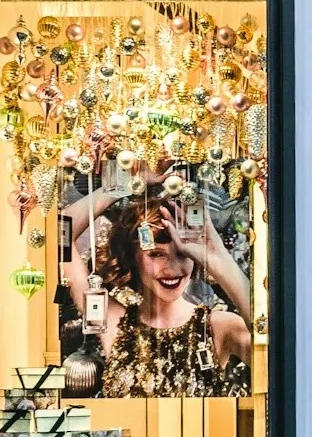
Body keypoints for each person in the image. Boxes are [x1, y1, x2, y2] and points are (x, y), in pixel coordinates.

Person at [62, 164, 252, 399]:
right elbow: (61, 232)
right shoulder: (114, 321)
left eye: (182, 253)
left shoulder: (219, 327)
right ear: (133, 257)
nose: (171, 269)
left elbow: (279, 352)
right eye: (156, 254)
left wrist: (218, 257)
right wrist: (128, 184)